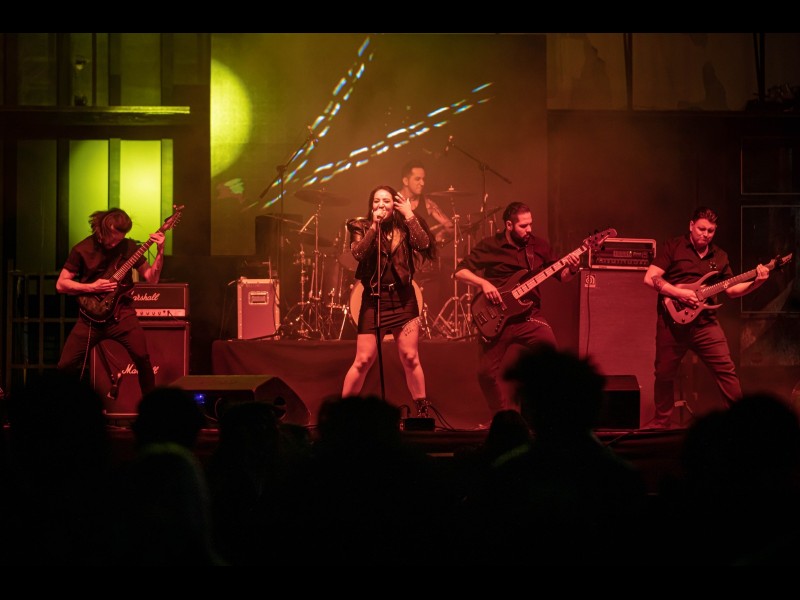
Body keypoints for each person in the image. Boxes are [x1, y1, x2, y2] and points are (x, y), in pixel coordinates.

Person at [642, 206, 770, 430]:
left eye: (711, 231)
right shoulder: (673, 246)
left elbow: (731, 290)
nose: (706, 234)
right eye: (702, 229)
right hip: (672, 324)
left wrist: (756, 283)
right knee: (664, 373)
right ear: (691, 226)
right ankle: (661, 423)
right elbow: (650, 277)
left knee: (726, 370)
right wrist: (680, 293)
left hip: (705, 324)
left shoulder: (719, 256)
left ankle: (740, 422)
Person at [454, 201, 580, 427]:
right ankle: (500, 419)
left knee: (551, 362)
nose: (529, 229)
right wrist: (483, 283)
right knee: (485, 374)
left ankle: (544, 417)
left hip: (529, 316)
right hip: (497, 318)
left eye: (531, 224)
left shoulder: (539, 246)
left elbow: (562, 278)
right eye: (523, 226)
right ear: (509, 225)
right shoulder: (490, 245)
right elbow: (459, 272)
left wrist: (572, 268)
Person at [340, 185, 435, 418]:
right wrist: (374, 227)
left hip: (403, 299)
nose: (381, 205)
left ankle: (423, 412)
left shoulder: (406, 226)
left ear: (395, 205)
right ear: (371, 205)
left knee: (410, 357)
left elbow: (423, 244)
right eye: (376, 201)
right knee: (363, 360)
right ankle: (342, 413)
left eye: (386, 201)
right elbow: (359, 253)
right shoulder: (360, 226)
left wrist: (410, 214)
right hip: (374, 300)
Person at [56, 207, 166, 399]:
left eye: (120, 238)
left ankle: (151, 408)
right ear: (102, 229)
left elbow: (152, 278)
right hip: (90, 318)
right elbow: (61, 284)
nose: (115, 243)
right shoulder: (82, 249)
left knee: (142, 358)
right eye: (112, 238)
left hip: (122, 316)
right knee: (65, 365)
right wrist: (92, 287)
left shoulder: (128, 247)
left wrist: (160, 251)